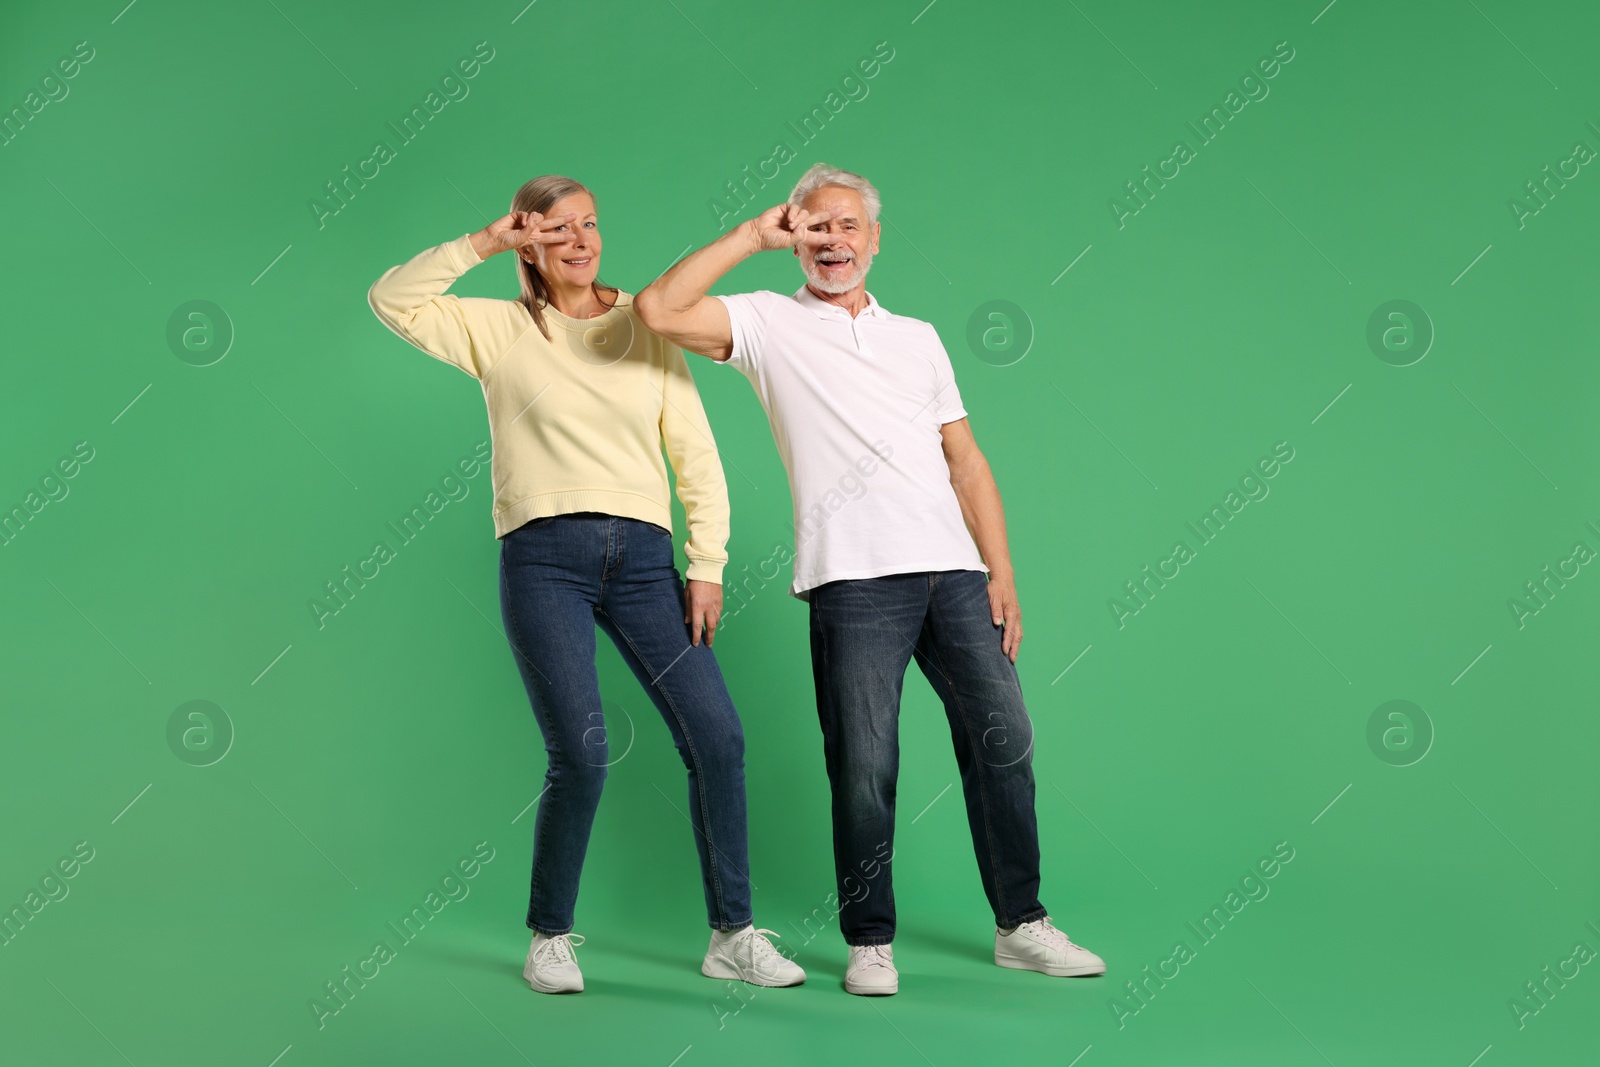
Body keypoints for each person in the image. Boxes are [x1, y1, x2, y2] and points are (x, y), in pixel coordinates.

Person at [635, 163, 1106, 996]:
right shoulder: (766, 323)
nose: (833, 241)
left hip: (955, 573)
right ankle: (870, 940)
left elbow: (965, 459)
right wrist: (752, 235)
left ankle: (1021, 923)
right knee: (864, 761)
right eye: (815, 227)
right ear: (796, 237)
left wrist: (1001, 569)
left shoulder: (917, 336)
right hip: (854, 578)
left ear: (874, 239)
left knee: (1005, 738)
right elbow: (657, 310)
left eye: (847, 226)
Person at [367, 174, 803, 995]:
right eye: (558, 227)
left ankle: (733, 933)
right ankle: (550, 936)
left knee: (718, 737)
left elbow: (695, 451)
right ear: (530, 239)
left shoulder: (646, 321)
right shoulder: (496, 329)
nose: (580, 240)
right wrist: (483, 242)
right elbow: (392, 299)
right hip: (543, 558)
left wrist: (706, 563)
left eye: (591, 224)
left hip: (644, 561)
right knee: (582, 752)